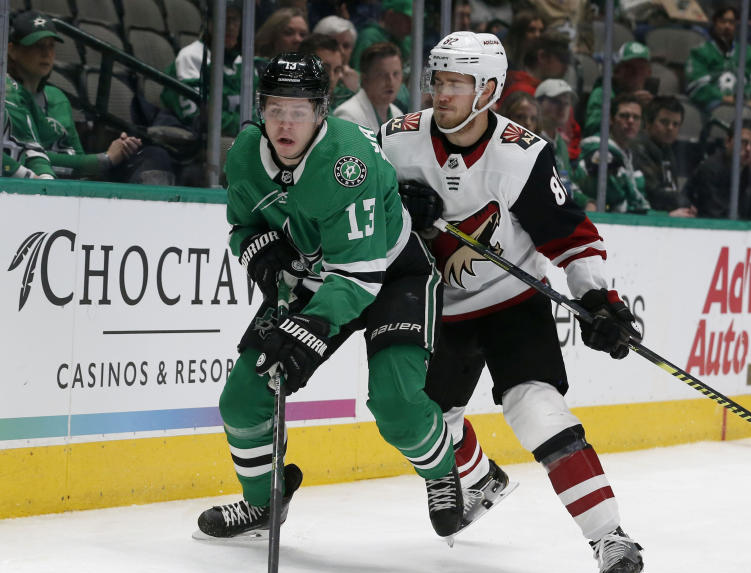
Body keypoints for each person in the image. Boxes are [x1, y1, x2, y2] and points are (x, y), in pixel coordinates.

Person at [378, 31, 654, 573]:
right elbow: (360, 207)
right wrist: (396, 209)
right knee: (428, 419)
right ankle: (480, 480)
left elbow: (570, 235)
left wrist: (599, 299)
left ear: (490, 90)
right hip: (434, 305)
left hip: (512, 301)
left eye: (457, 83)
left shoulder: (521, 153)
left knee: (537, 408)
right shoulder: (397, 142)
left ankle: (611, 537)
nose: (443, 93)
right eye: (438, 81)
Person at [196, 53, 465, 541]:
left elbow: (360, 278)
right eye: (275, 109)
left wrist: (306, 332)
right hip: (314, 281)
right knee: (242, 399)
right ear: (260, 110)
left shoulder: (347, 165)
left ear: (322, 112)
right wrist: (259, 249)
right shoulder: (244, 155)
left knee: (397, 404)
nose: (285, 123)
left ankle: (443, 471)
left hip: (390, 274)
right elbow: (244, 225)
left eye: (299, 111)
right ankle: (263, 504)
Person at [6, 11, 174, 183]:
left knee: (154, 155)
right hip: (34, 186)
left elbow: (79, 157)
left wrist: (118, 150)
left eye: (51, 46)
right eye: (37, 45)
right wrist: (104, 159)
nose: (46, 53)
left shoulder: (57, 97)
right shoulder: (7, 96)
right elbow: (23, 155)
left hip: (75, 181)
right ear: (12, 51)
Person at [578, 94, 695, 216]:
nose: (630, 121)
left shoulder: (629, 155)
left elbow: (638, 203)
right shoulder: (601, 152)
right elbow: (620, 206)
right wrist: (667, 217)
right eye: (624, 116)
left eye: (636, 117)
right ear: (611, 119)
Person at [161, 0, 256, 138]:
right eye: (224, 18)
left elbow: (262, 110)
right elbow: (199, 117)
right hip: (207, 146)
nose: (230, 27)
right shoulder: (190, 58)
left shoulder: (243, 63)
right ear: (209, 23)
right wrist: (250, 126)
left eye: (234, 19)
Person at [685, 119, 751, 220]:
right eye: (743, 142)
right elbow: (714, 216)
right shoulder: (710, 169)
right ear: (727, 142)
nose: (748, 149)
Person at [685, 5, 751, 110]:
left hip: (746, 104)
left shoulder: (748, 51)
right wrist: (725, 98)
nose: (727, 26)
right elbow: (696, 86)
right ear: (714, 24)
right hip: (714, 104)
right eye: (722, 21)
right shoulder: (700, 51)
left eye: (731, 22)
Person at [534, 78, 588, 208]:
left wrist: (587, 202)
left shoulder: (561, 144)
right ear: (537, 104)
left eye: (566, 103)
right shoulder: (531, 140)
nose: (562, 107)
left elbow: (566, 182)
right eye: (555, 101)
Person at [633, 95, 691, 211]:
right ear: (648, 123)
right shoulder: (638, 149)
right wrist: (683, 202)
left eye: (676, 124)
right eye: (664, 122)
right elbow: (652, 194)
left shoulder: (666, 149)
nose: (670, 128)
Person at [583, 41, 653, 136]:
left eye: (641, 67)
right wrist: (627, 104)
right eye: (629, 67)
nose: (635, 72)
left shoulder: (648, 102)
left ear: (648, 72)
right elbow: (593, 128)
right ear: (617, 70)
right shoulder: (602, 94)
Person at [333, 42, 404, 131]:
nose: (391, 81)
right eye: (382, 75)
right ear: (365, 79)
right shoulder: (347, 116)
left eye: (396, 74)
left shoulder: (398, 114)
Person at [312, 15, 360, 106]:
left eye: (346, 46)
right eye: (334, 44)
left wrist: (355, 91)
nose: (341, 51)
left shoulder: (361, 79)